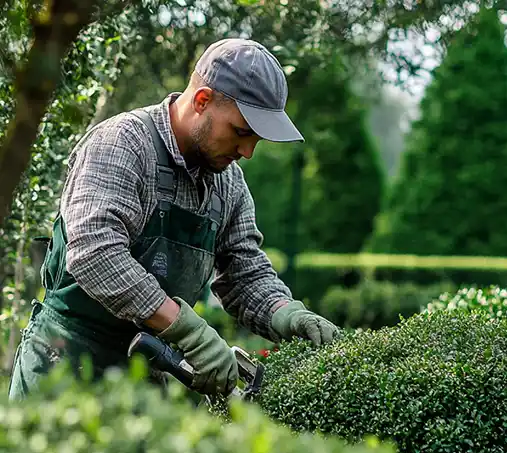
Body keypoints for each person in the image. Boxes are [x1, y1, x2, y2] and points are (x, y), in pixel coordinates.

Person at [8, 38, 339, 401]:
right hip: (63, 366)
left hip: (143, 378)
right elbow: (95, 253)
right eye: (242, 132)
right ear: (202, 101)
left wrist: (285, 314)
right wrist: (188, 331)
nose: (247, 152)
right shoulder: (122, 144)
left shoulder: (228, 184)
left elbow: (244, 272)